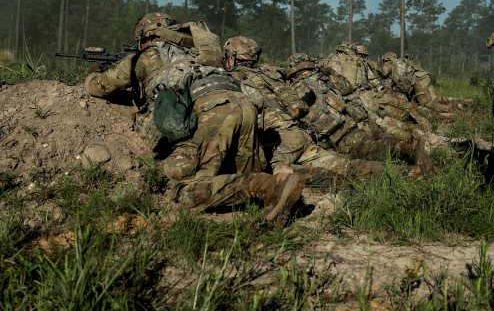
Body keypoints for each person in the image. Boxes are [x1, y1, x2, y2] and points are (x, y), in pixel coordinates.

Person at [85, 13, 304, 225]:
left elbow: (99, 87)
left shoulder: (146, 56)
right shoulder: (198, 54)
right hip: (244, 105)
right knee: (237, 175)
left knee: (184, 194)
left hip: (211, 110)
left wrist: (96, 70)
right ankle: (275, 194)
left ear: (148, 37)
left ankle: (270, 186)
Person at [223, 36, 388, 182]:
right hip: (299, 133)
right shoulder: (269, 75)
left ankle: (291, 187)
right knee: (346, 166)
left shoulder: (231, 79)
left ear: (232, 58)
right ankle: (404, 173)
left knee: (274, 174)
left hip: (279, 141)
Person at [285, 53, 430, 171]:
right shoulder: (323, 77)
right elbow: (347, 87)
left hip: (339, 136)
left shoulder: (291, 91)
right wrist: (331, 72)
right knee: (382, 138)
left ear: (291, 74)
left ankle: (410, 150)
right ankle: (412, 143)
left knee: (372, 150)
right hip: (355, 120)